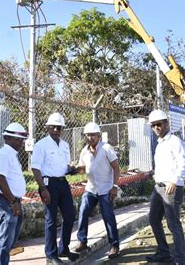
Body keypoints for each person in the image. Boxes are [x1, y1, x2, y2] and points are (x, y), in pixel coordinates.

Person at [32, 112, 79, 265]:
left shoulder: (65, 145)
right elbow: (35, 169)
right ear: (48, 128)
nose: (56, 130)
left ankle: (63, 248)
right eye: (53, 127)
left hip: (62, 182)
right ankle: (51, 255)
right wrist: (43, 188)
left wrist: (72, 169)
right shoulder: (41, 145)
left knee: (70, 215)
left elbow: (64, 166)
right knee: (51, 219)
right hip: (48, 185)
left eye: (59, 128)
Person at [146, 110, 185, 265]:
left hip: (171, 188)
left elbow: (183, 163)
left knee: (173, 224)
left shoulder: (174, 141)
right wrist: (154, 173)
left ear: (166, 123)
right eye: (153, 125)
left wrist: (174, 181)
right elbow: (165, 165)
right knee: (154, 219)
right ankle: (164, 253)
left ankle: (180, 259)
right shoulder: (159, 144)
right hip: (159, 187)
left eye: (159, 124)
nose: (156, 127)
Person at [74, 122, 121, 259]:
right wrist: (75, 169)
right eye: (88, 135)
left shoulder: (107, 148)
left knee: (108, 216)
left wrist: (114, 186)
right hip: (91, 188)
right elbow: (83, 168)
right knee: (83, 210)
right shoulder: (84, 151)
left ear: (99, 135)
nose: (91, 137)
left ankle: (114, 245)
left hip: (106, 188)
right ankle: (82, 241)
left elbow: (116, 168)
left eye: (93, 135)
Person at [0, 122, 29, 265]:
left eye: (22, 139)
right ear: (8, 138)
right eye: (18, 139)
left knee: (10, 238)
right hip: (6, 201)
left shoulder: (12, 155)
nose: (21, 142)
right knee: (6, 238)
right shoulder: (3, 154)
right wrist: (13, 202)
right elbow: (0, 179)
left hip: (13, 201)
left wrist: (16, 201)